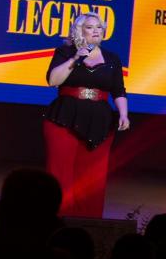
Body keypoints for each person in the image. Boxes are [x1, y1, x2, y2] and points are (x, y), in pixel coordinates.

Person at [43, 12, 129, 218]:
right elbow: (53, 80)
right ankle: (57, 220)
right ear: (79, 31)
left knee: (92, 177)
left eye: (99, 27)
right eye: (90, 27)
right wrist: (75, 59)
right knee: (61, 173)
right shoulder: (65, 52)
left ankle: (88, 223)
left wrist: (124, 114)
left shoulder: (112, 59)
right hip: (65, 118)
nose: (96, 31)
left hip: (100, 120)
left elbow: (118, 90)